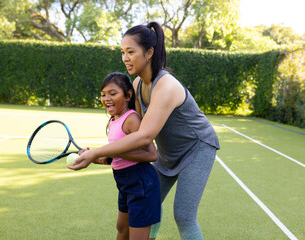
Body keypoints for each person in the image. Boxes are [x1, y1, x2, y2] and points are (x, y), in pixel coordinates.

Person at [68, 22, 220, 240]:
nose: (125, 58)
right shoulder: (138, 84)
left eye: (131, 52)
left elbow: (145, 136)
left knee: (184, 216)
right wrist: (104, 157)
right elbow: (134, 136)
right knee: (150, 201)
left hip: (197, 148)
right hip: (168, 153)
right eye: (123, 52)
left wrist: (98, 152)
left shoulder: (166, 86)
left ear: (149, 53)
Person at [75, 72, 161, 240]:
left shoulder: (131, 119)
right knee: (122, 229)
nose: (106, 98)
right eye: (103, 94)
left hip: (141, 182)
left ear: (128, 95)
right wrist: (92, 157)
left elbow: (151, 154)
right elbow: (115, 158)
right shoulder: (114, 120)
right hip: (123, 182)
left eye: (113, 94)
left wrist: (109, 151)